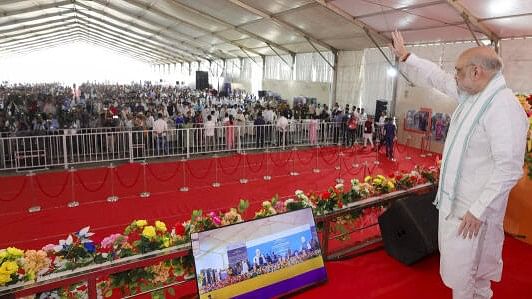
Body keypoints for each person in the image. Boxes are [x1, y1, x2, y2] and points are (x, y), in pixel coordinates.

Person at [392, 30, 528, 299]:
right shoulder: (474, 95)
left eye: (458, 70)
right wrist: (408, 57)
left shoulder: (502, 107)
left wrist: (477, 210)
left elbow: (509, 168)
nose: (453, 75)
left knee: (466, 280)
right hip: (459, 208)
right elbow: (438, 78)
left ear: (477, 72)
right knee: (466, 278)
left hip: (474, 215)